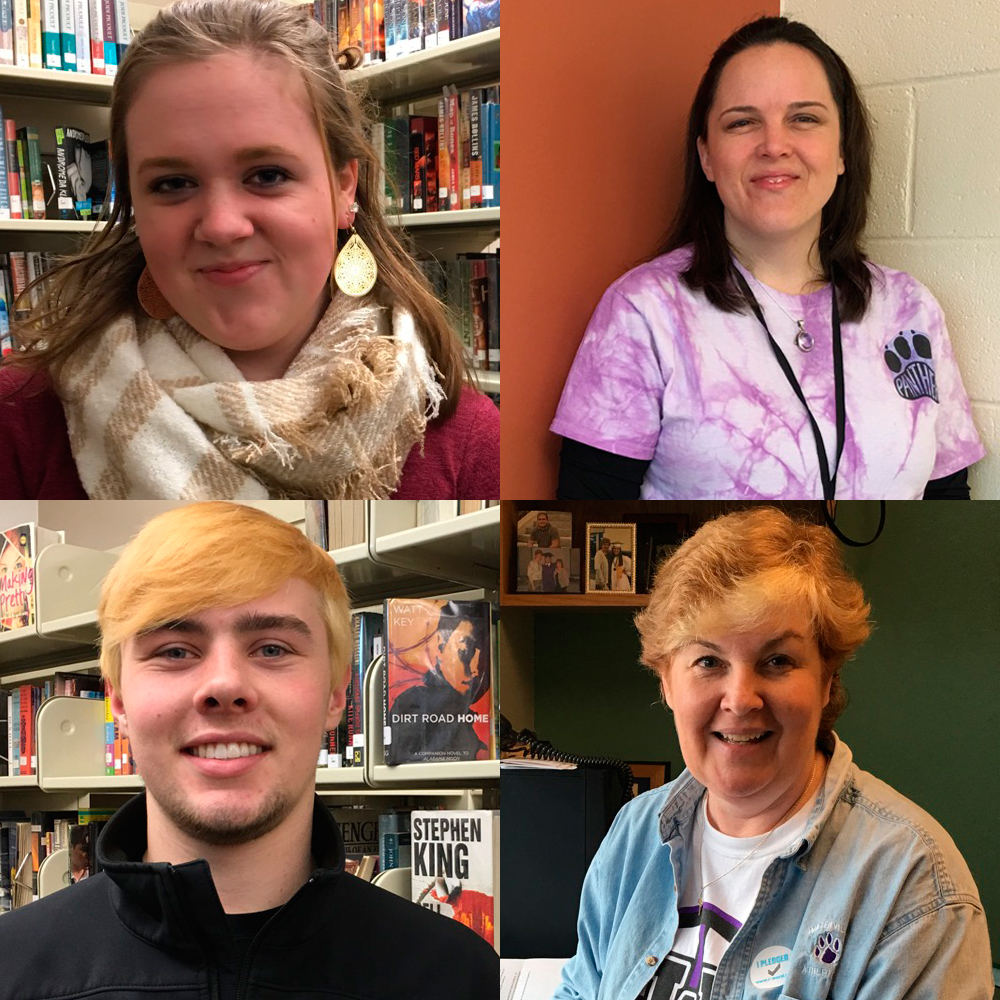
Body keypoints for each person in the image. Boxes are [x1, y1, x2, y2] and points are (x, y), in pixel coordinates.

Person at [0, 0, 498, 500]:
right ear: (132, 200)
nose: (221, 225)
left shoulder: (471, 443)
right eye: (173, 183)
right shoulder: (21, 420)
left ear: (345, 187)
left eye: (267, 175)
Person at [0, 504, 497, 999]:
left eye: (272, 649)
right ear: (120, 701)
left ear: (336, 696)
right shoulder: (12, 968)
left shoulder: (459, 977)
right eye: (175, 651)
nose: (225, 685)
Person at [554, 507, 992, 1000]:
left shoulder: (912, 885)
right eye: (708, 661)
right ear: (667, 682)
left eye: (777, 660)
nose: (740, 699)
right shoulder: (636, 832)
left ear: (827, 680)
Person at [552, 17, 984, 501]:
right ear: (707, 157)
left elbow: (947, 505)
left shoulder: (910, 309)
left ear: (843, 149)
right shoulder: (642, 313)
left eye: (804, 118)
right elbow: (588, 532)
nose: (774, 145)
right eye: (742, 122)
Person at [386, 602, 490, 762]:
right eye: (465, 651)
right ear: (441, 646)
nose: (476, 670)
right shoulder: (410, 706)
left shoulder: (471, 716)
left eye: (483, 657)